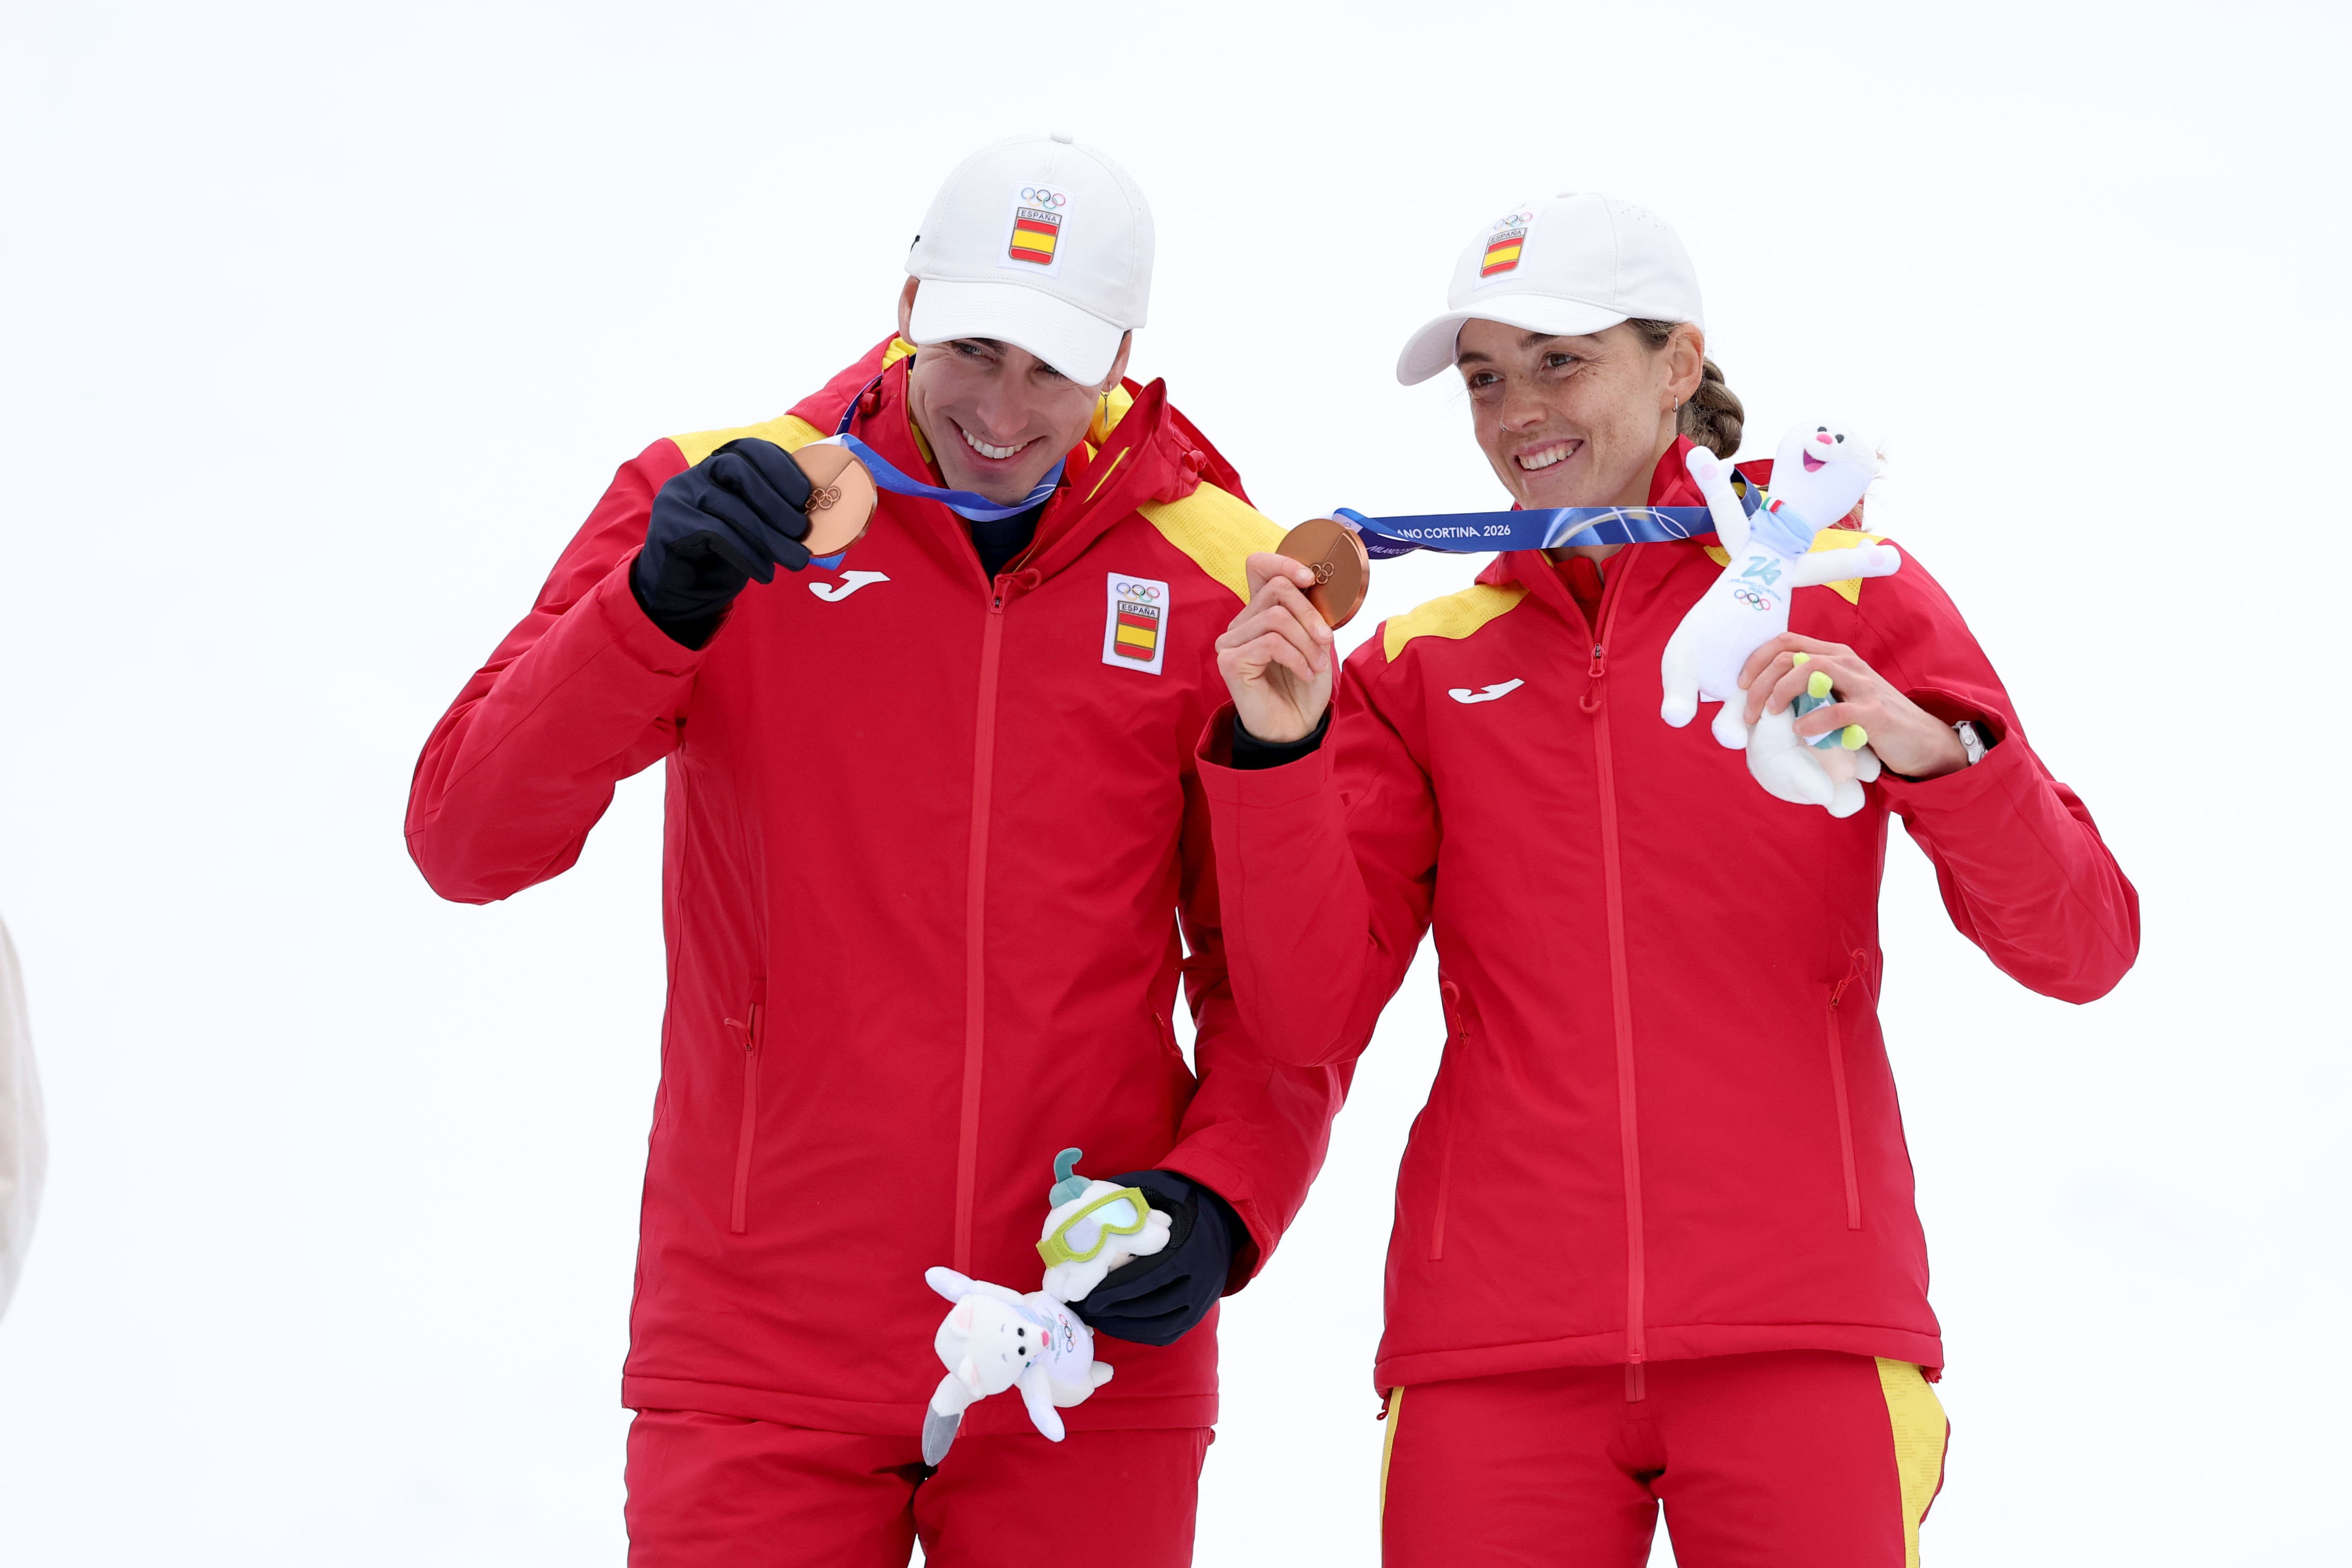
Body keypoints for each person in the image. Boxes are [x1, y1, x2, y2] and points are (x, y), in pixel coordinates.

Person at [406, 133, 1347, 1568]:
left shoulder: (1221, 570)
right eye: (972, 348)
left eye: (1053, 367)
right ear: (908, 305)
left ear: (1121, 357)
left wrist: (1225, 1198)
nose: (1002, 410)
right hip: (760, 1341)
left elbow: (1282, 996)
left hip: (1075, 1351)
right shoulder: (718, 501)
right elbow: (469, 837)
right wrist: (651, 605)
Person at [1198, 193, 2139, 1566]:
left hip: (1802, 1324)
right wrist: (1278, 753)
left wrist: (1942, 756)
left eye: (1559, 360)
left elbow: (2082, 945)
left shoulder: (1842, 590)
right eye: (1484, 377)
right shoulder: (1419, 664)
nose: (1516, 410)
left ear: (1677, 363)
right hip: (1496, 1343)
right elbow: (1303, 1013)